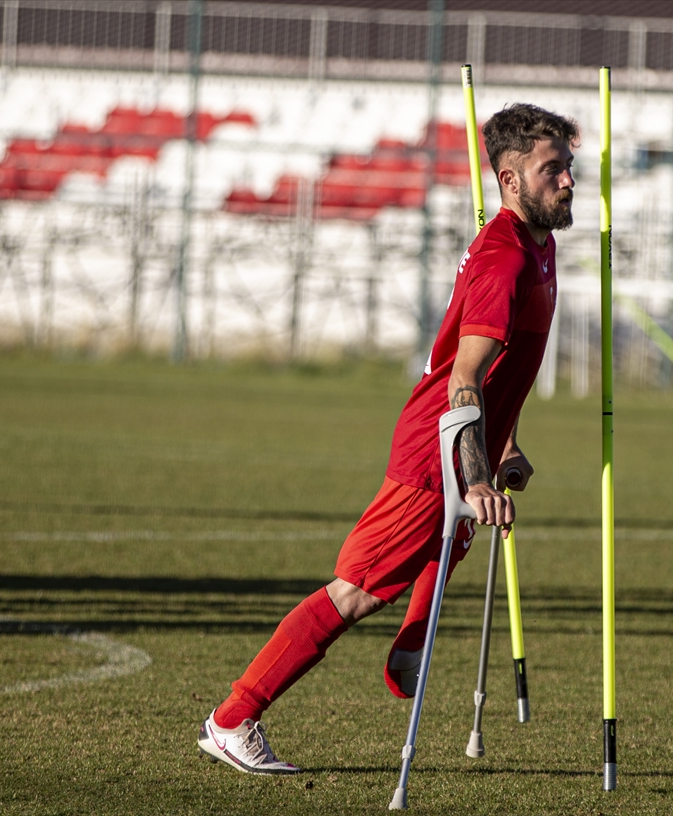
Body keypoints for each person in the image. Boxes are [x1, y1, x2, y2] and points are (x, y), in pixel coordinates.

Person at [197, 103, 579, 774]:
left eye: (569, 168)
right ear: (510, 180)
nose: (569, 182)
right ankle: (235, 717)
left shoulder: (540, 247)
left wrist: (505, 443)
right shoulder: (506, 262)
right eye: (553, 170)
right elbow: (466, 378)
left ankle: (409, 647)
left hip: (465, 444)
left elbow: (503, 371)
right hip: (434, 453)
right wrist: (476, 476)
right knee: (355, 591)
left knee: (453, 537)